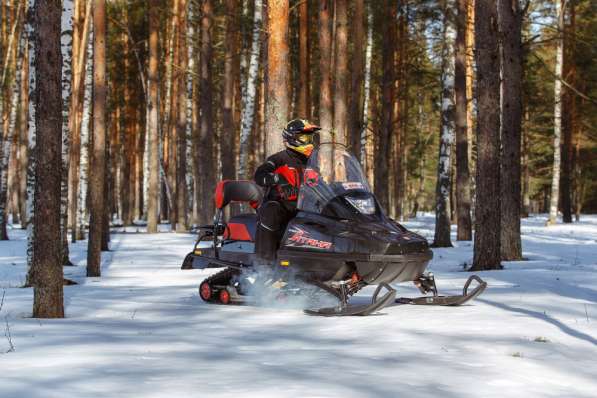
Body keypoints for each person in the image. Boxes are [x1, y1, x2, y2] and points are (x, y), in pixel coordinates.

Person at [254, 119, 321, 263]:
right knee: (271, 210)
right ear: (292, 138)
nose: (309, 142)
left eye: (311, 138)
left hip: (305, 207)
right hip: (281, 205)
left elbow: (319, 183)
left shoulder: (312, 163)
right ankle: (264, 263)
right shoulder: (278, 159)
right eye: (305, 137)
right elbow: (259, 175)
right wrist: (279, 179)